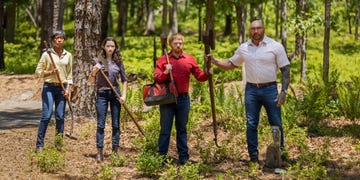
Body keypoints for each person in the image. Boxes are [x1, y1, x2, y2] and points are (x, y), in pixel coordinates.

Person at [207, 19, 290, 164]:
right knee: (251, 124)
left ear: (264, 29)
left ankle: (279, 154)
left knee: (276, 122)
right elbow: (231, 64)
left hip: (270, 89)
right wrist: (215, 61)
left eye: (258, 28)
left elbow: (285, 69)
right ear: (249, 30)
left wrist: (283, 91)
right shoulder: (244, 47)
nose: (256, 31)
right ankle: (253, 157)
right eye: (253, 29)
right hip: (251, 90)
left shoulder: (275, 46)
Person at [154, 33, 209, 164]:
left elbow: (200, 76)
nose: (178, 45)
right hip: (167, 99)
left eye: (180, 43)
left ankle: (183, 158)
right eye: (175, 43)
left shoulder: (189, 59)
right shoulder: (163, 59)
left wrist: (208, 71)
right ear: (170, 44)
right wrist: (166, 72)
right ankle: (161, 158)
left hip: (183, 100)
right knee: (165, 130)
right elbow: (156, 78)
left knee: (182, 130)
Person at [89, 37, 128, 163]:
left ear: (115, 47)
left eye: (112, 46)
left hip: (116, 93)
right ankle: (99, 152)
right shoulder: (98, 61)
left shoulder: (118, 62)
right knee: (101, 124)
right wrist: (94, 73)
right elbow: (90, 81)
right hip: (102, 93)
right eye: (108, 46)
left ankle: (115, 151)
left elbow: (124, 79)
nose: (110, 48)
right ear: (104, 47)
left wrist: (124, 96)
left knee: (116, 124)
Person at [35, 30, 73, 153]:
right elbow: (38, 72)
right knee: (46, 116)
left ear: (64, 40)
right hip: (49, 88)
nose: (59, 40)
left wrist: (68, 90)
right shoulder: (47, 54)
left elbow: (70, 76)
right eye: (57, 38)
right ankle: (39, 145)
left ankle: (58, 144)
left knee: (60, 116)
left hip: (62, 88)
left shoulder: (68, 55)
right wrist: (51, 72)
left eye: (61, 38)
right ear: (53, 40)